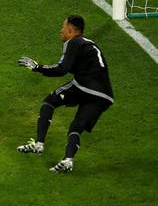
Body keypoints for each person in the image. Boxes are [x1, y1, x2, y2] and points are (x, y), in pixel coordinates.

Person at [17, 15, 114, 173]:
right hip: (104, 96)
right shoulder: (88, 44)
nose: (61, 31)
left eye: (63, 28)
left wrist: (37, 67)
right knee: (76, 126)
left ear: (70, 30)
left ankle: (39, 144)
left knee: (49, 101)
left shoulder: (74, 42)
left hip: (85, 86)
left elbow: (61, 69)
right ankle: (68, 160)